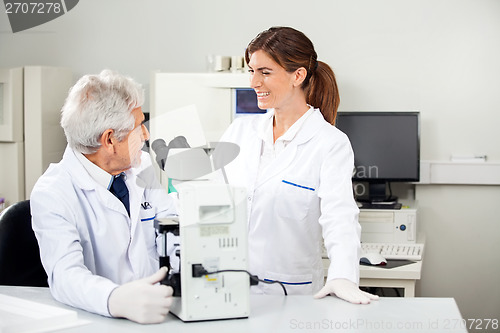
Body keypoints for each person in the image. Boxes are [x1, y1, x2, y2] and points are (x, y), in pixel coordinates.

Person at [220, 27, 378, 304]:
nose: (254, 82)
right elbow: (208, 200)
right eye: (251, 70)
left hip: (292, 294)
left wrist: (342, 276)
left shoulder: (330, 143)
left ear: (298, 75)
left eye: (265, 72)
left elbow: (339, 216)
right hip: (228, 287)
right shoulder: (239, 132)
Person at [30, 70, 176, 323]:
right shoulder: (53, 193)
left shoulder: (139, 169)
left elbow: (171, 222)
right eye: (139, 126)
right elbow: (65, 275)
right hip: (98, 321)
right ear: (109, 139)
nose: (146, 135)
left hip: (160, 313)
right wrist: (115, 299)